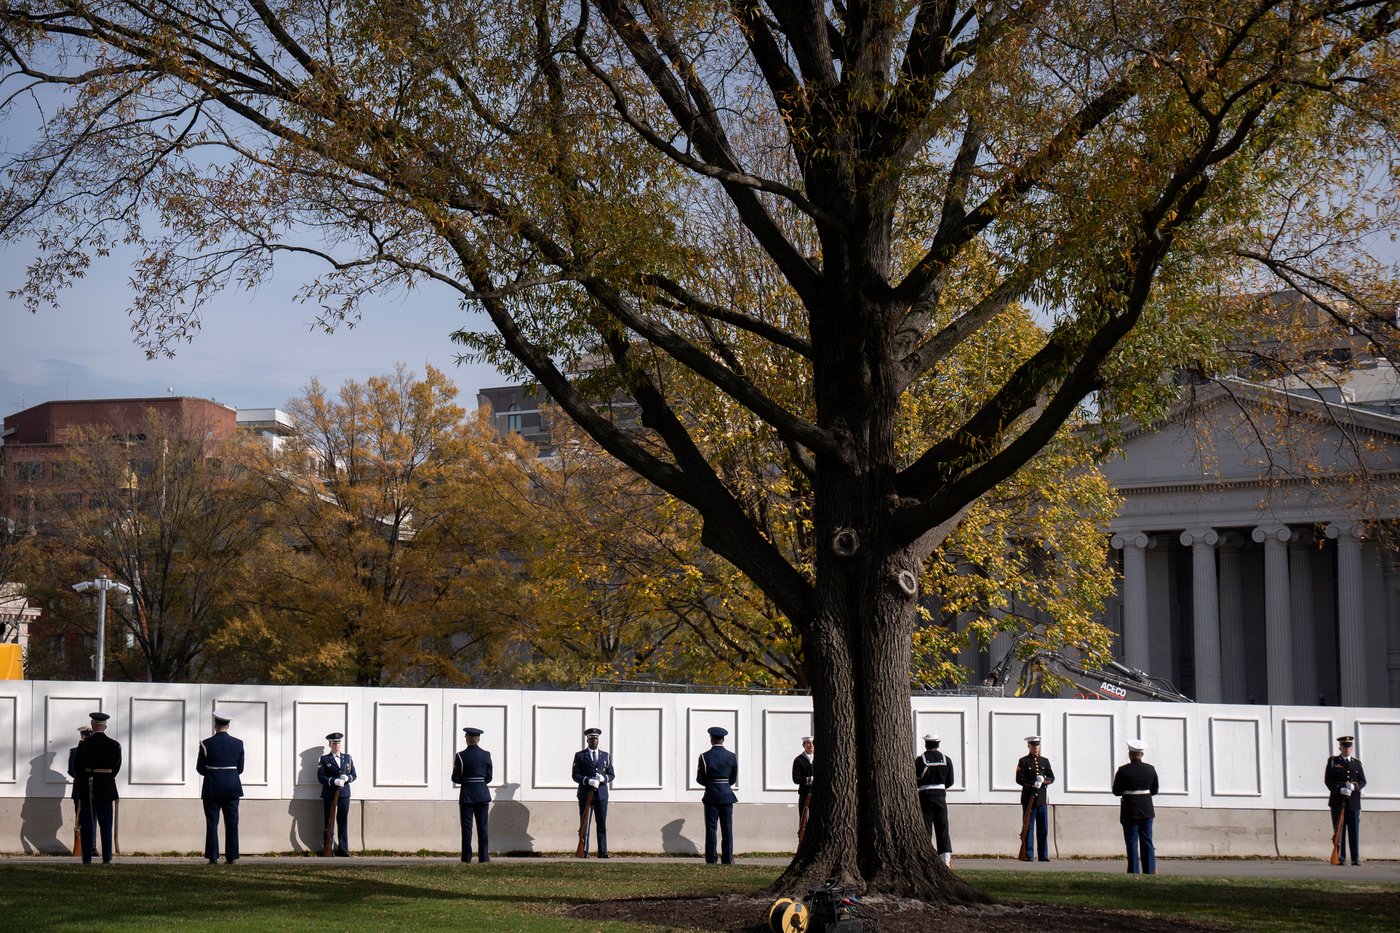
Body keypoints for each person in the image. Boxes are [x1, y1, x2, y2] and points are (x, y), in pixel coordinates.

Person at [69, 711, 121, 864]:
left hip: (88, 788)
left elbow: (77, 768)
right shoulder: (115, 745)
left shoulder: (84, 745)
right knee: (106, 825)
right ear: (105, 726)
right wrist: (105, 778)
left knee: (87, 825)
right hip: (106, 789)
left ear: (92, 725)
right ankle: (107, 858)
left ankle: (86, 859)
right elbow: (116, 768)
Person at [196, 712, 245, 865]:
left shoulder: (205, 743)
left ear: (215, 725)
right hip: (232, 787)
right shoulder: (238, 743)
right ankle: (231, 857)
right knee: (232, 823)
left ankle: (213, 856)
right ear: (228, 725)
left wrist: (213, 774)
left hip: (212, 787)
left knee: (212, 822)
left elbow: (200, 768)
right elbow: (241, 768)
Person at [1111, 737, 1159, 874]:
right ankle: (1149, 870)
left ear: (1130, 754)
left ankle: (1133, 870)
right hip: (1146, 809)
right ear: (1142, 754)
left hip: (1130, 809)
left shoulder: (1123, 770)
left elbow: (1116, 792)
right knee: (1147, 840)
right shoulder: (1150, 769)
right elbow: (1154, 790)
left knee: (1132, 841)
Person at [697, 725, 738, 864]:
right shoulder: (732, 756)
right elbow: (733, 778)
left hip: (711, 796)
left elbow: (700, 779)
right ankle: (727, 859)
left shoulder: (704, 757)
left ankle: (711, 859)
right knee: (727, 829)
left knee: (711, 829)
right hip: (727, 795)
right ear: (723, 739)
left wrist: (711, 784)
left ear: (711, 739)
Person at [571, 726, 614, 858]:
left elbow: (611, 774)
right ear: (587, 740)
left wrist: (604, 778)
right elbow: (575, 775)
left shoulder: (605, 756)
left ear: (598, 740)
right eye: (591, 739)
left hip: (601, 795)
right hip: (586, 795)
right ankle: (584, 851)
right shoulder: (580, 756)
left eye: (596, 739)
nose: (594, 741)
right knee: (585, 824)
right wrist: (587, 780)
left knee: (601, 823)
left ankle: (603, 851)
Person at [451, 726, 492, 863]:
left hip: (467, 795)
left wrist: (466, 780)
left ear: (467, 739)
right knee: (483, 828)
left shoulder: (460, 756)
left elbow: (455, 778)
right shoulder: (486, 755)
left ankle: (466, 858)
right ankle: (484, 858)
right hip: (482, 794)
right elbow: (489, 777)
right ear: (478, 739)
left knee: (467, 829)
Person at [1325, 735, 1367, 865]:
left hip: (1353, 802)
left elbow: (1363, 781)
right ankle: (1340, 858)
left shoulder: (1357, 763)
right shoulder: (1333, 762)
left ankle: (1355, 858)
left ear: (1352, 749)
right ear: (1340, 748)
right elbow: (1328, 781)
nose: (1347, 749)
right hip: (1338, 802)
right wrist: (1339, 789)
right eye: (1344, 746)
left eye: (1349, 746)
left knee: (1354, 831)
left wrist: (1355, 786)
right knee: (1339, 830)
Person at [915, 733, 954, 866]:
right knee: (942, 825)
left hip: (925, 794)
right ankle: (945, 857)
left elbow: (916, 779)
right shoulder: (946, 759)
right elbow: (950, 781)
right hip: (940, 795)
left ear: (926, 744)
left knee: (926, 826)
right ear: (938, 744)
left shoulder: (920, 760)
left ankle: (925, 856)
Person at [1015, 734, 1054, 862]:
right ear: (1029, 746)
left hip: (1042, 799)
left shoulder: (1045, 761)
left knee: (1043, 828)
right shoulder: (1023, 761)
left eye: (1037, 745)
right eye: (1033, 745)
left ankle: (1043, 855)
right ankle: (1028, 854)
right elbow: (1019, 779)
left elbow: (1051, 777)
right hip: (1029, 799)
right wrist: (1032, 784)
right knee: (1028, 827)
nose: (1036, 748)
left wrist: (1044, 781)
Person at [316, 732, 356, 857]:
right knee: (329, 821)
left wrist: (347, 778)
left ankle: (343, 849)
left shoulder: (348, 758)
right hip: (330, 794)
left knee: (342, 821)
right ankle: (329, 850)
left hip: (344, 794)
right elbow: (320, 777)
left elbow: (354, 774)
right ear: (330, 745)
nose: (337, 745)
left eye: (338, 743)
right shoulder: (324, 759)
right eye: (334, 743)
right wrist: (334, 781)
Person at [66, 726, 91, 857]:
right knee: (80, 818)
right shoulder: (74, 751)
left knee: (93, 819)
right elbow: (71, 770)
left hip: (93, 789)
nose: (86, 738)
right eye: (85, 736)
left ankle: (91, 846)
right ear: (81, 736)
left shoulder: (94, 750)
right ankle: (81, 846)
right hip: (80, 788)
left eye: (88, 736)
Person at [792, 736, 814, 841]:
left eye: (812, 743)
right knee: (804, 818)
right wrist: (809, 779)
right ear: (804, 745)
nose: (811, 746)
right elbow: (795, 778)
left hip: (816, 794)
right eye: (808, 743)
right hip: (805, 794)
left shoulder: (818, 759)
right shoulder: (799, 760)